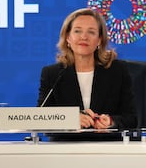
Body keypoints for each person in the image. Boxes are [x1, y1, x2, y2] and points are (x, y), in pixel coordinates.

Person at [37, 8, 138, 140]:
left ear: (100, 40)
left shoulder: (118, 71)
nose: (84, 37)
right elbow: (40, 118)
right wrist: (71, 120)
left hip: (108, 149)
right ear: (68, 37)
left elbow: (131, 118)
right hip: (64, 151)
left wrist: (111, 121)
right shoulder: (52, 73)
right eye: (77, 31)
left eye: (91, 32)